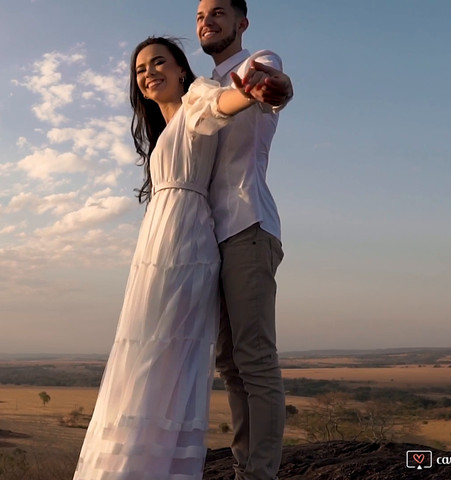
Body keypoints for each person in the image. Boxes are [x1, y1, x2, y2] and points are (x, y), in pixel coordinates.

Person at [73, 37, 281, 480]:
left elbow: (222, 103)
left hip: (185, 241)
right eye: (140, 69)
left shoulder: (197, 96)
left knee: (167, 350)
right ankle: (139, 462)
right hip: (157, 243)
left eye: (158, 62)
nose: (148, 73)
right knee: (147, 346)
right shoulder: (164, 128)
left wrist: (248, 91)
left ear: (182, 69)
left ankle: (157, 464)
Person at [197, 0, 294, 479]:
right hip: (210, 238)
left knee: (254, 358)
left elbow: (275, 88)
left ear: (241, 23)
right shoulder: (202, 88)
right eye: (199, 16)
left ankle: (261, 473)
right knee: (229, 364)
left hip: (248, 224)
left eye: (216, 12)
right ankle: (244, 467)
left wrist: (270, 88)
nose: (206, 21)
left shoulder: (258, 62)